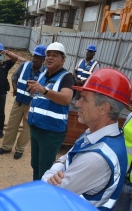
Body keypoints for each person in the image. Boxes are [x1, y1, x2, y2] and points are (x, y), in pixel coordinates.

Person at [42, 68, 131, 210]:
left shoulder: (96, 158)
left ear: (103, 109)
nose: (77, 104)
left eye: (84, 99)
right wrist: (60, 164)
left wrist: (51, 173)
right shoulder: (98, 134)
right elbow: (66, 157)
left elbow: (48, 191)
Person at [26, 42, 75, 180]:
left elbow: (66, 99)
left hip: (51, 132)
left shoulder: (66, 77)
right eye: (48, 55)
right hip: (36, 129)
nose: (49, 58)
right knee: (35, 164)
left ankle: (43, 197)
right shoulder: (42, 75)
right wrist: (30, 111)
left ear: (63, 60)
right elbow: (35, 95)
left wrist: (44, 90)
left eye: (55, 55)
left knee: (45, 168)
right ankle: (36, 189)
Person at [0, 45, 46, 160]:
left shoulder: (45, 73)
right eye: (35, 56)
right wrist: (15, 88)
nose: (35, 59)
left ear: (43, 60)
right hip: (18, 102)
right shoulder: (24, 65)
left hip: (31, 106)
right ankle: (6, 147)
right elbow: (14, 77)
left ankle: (19, 149)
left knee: (26, 129)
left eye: (38, 57)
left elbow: (43, 92)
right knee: (12, 125)